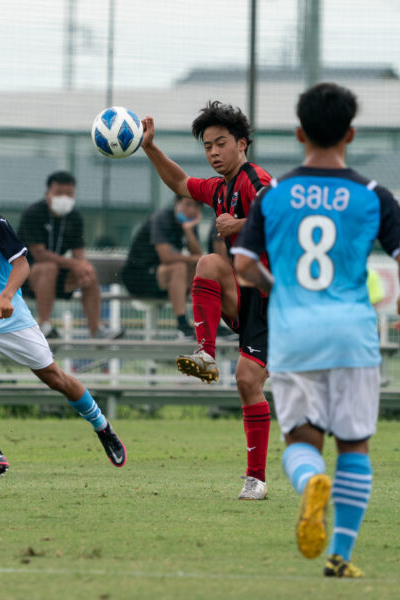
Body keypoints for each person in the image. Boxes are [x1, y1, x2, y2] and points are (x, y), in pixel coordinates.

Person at [232, 82, 400, 577]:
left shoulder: (272, 196)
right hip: (353, 335)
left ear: (298, 133)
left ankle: (312, 481)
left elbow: (245, 264)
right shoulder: (373, 194)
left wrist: (279, 286)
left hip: (294, 334)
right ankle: (340, 555)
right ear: (351, 134)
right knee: (355, 445)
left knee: (300, 442)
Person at [0, 140, 126, 473]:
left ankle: (102, 425)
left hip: (11, 319)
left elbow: (22, 265)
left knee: (56, 378)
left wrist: (5, 296)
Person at [140, 102, 273, 501]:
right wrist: (150, 148)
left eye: (221, 144)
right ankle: (205, 354)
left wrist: (243, 224)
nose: (213, 152)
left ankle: (256, 479)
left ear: (242, 144)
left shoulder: (255, 179)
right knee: (210, 263)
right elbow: (181, 183)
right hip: (248, 291)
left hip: (278, 299)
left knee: (249, 381)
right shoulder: (221, 188)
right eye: (207, 146)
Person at [18, 171, 118, 339]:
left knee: (89, 272)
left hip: (55, 278)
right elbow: (39, 254)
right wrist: (74, 264)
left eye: (69, 193)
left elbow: (79, 254)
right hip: (25, 277)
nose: (64, 197)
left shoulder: (75, 217)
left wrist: (83, 268)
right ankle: (44, 325)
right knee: (48, 267)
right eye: (59, 193)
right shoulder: (34, 213)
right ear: (47, 194)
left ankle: (97, 329)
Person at [121, 194, 202, 339]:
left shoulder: (188, 225)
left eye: (196, 206)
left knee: (201, 268)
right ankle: (182, 325)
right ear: (176, 203)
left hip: (162, 279)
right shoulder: (162, 218)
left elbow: (198, 257)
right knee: (179, 267)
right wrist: (191, 258)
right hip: (138, 277)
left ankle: (205, 323)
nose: (192, 210)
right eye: (188, 204)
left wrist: (189, 230)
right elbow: (166, 257)